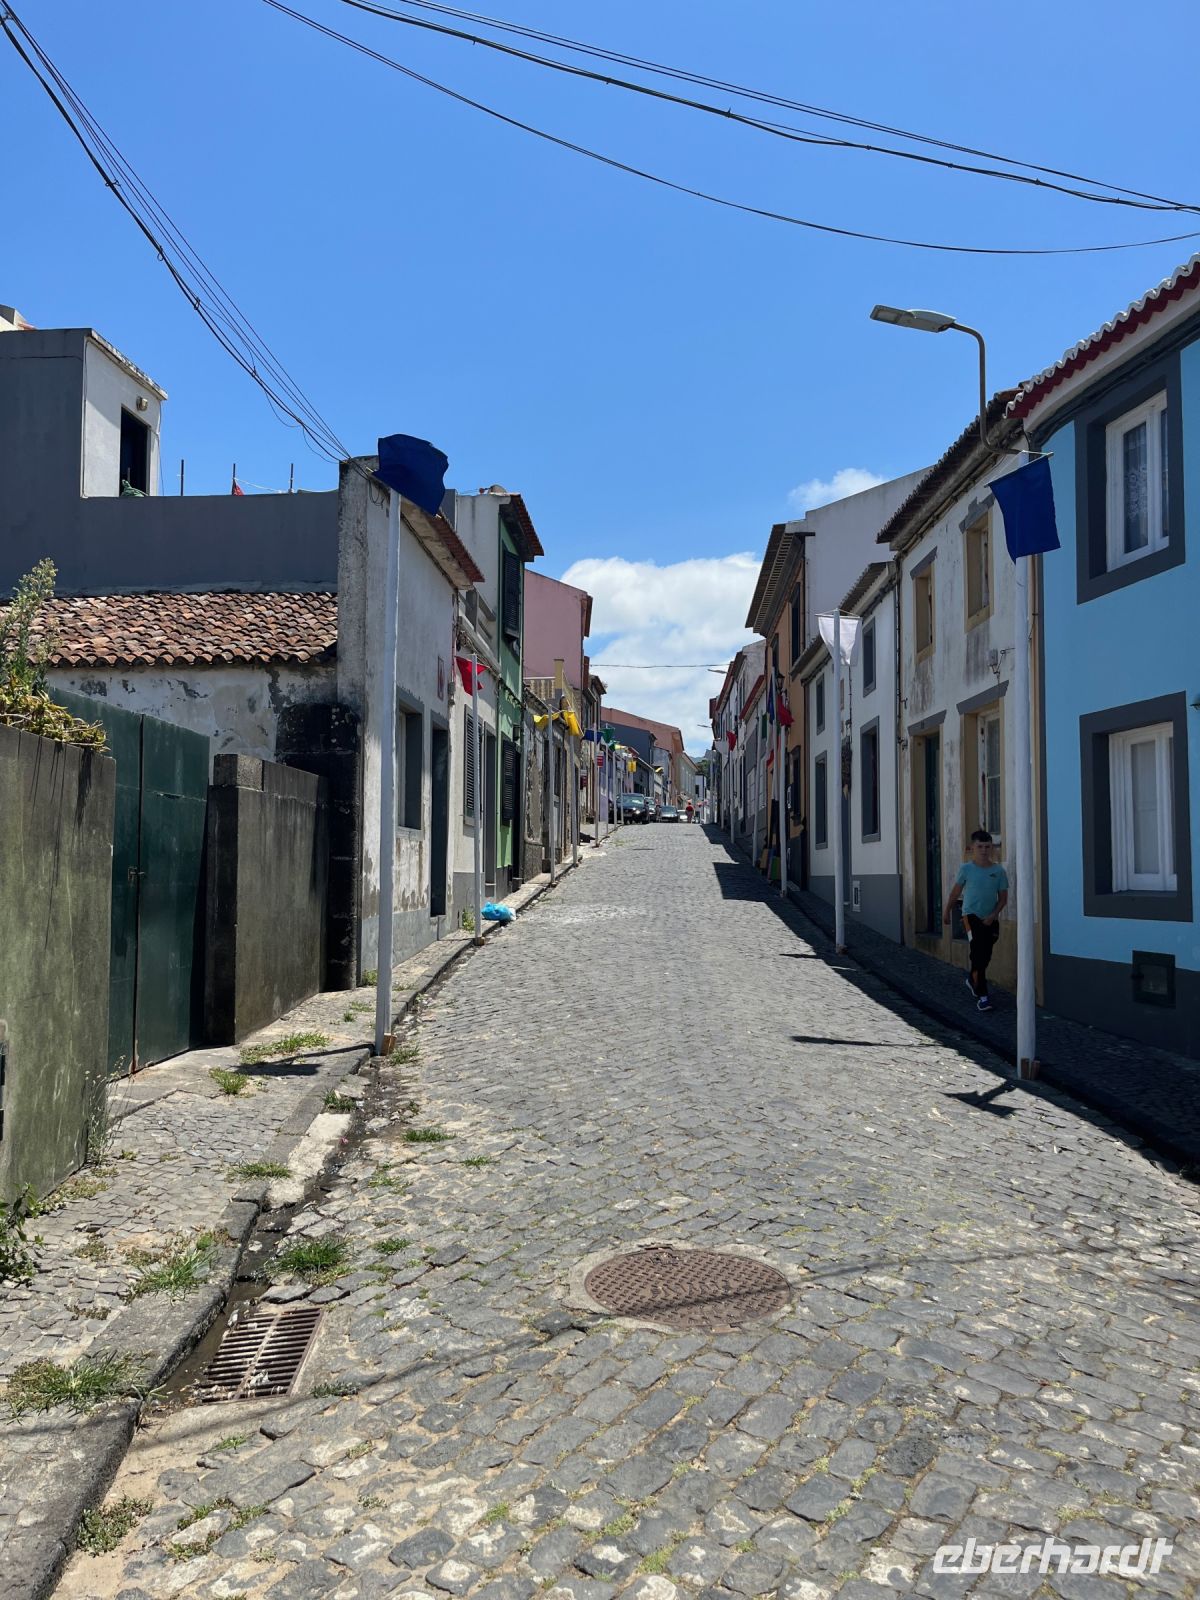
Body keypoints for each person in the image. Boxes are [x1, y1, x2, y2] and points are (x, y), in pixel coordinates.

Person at [943, 829, 1009, 1013]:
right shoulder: (966, 869)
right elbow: (956, 892)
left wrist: (993, 915)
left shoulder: (998, 871)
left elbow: (1003, 898)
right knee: (978, 953)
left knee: (985, 955)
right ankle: (983, 996)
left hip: (990, 918)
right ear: (972, 848)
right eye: (980, 846)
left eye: (987, 846)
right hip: (970, 916)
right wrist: (947, 911)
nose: (984, 850)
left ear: (992, 848)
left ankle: (972, 980)